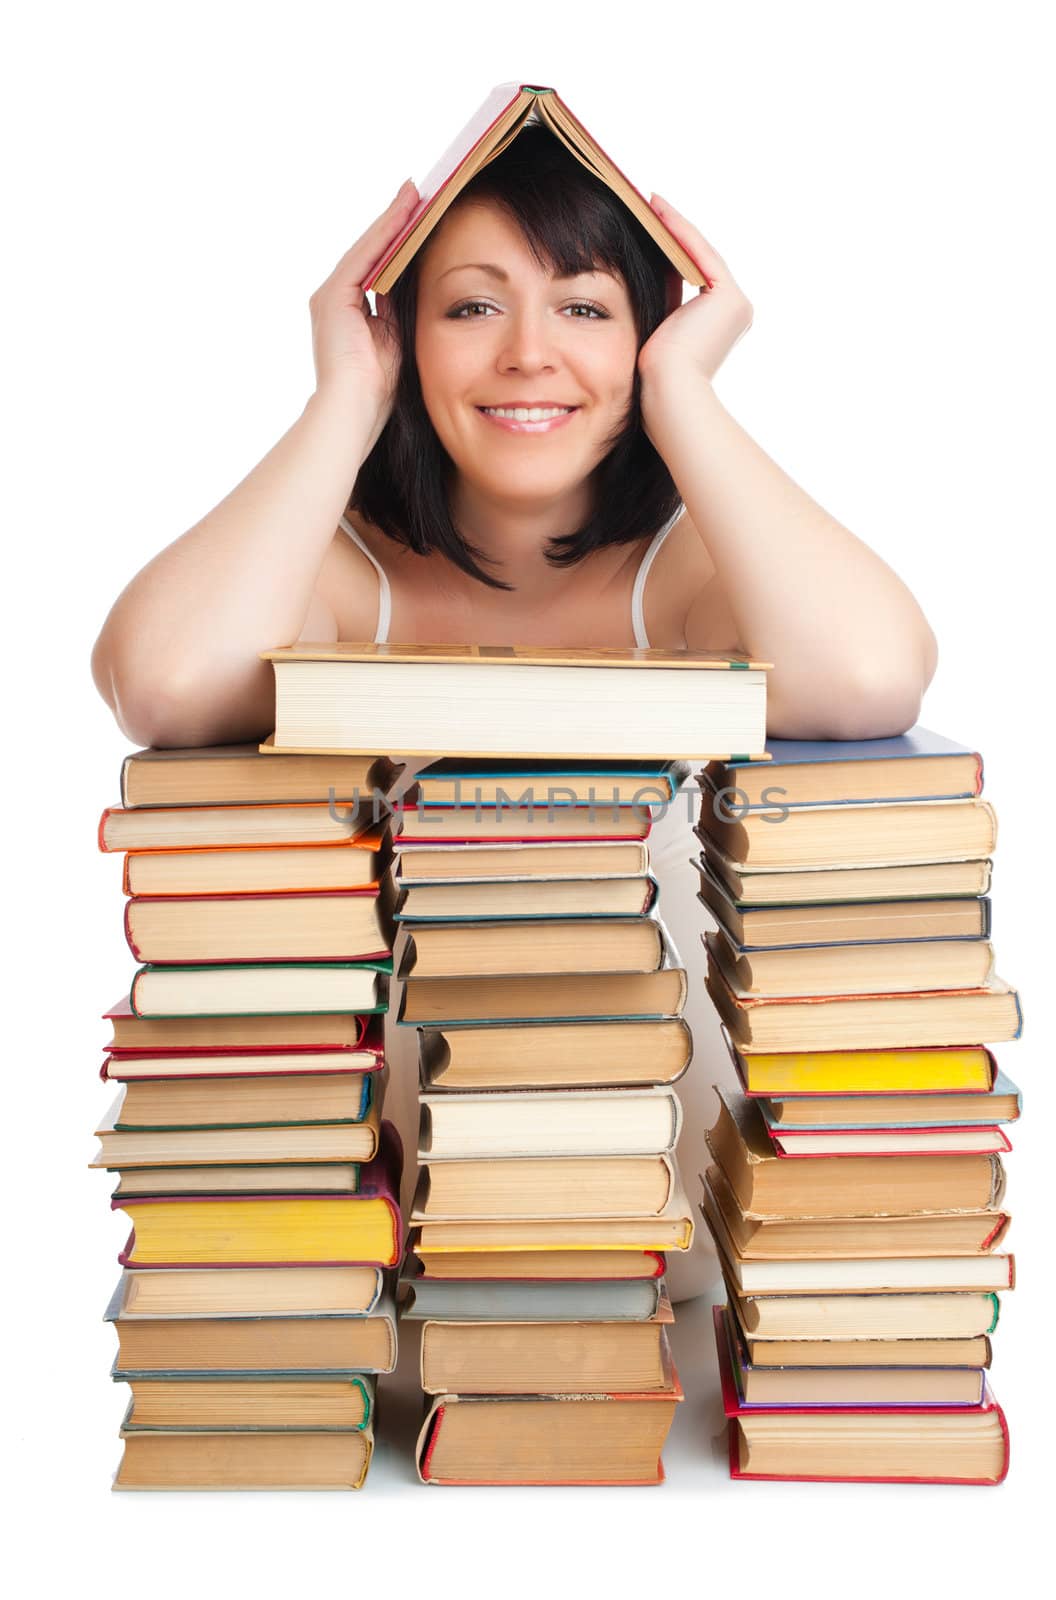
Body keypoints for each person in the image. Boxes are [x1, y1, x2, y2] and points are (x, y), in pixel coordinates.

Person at [92, 127, 937, 1299]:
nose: (529, 355)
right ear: (402, 332)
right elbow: (166, 683)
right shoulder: (340, 573)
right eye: (473, 309)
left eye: (585, 309)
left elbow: (867, 676)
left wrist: (681, 390)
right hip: (364, 1220)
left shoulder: (687, 573)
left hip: (641, 1194)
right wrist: (346, 393)